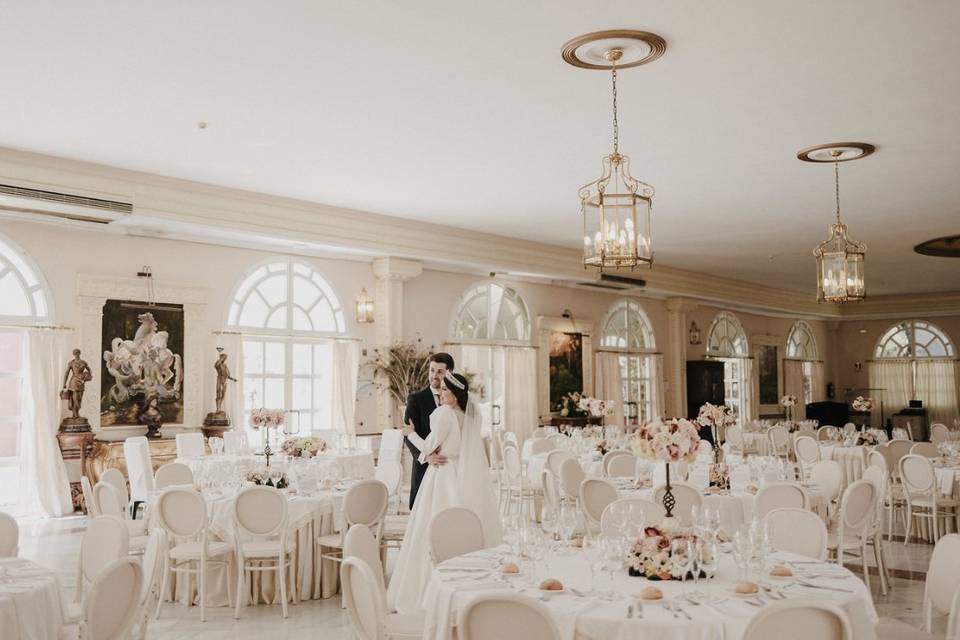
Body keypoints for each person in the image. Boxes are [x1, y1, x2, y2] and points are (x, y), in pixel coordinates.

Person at [388, 371, 467, 614]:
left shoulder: (444, 414)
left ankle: (426, 592)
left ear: (453, 396)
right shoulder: (467, 415)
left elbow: (428, 446)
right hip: (458, 474)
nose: (440, 393)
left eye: (444, 390)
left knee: (429, 528)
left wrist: (410, 433)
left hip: (441, 475)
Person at [403, 352, 455, 509]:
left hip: (450, 469)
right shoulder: (416, 399)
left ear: (449, 373)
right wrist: (426, 457)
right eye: (432, 370)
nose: (434, 375)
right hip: (424, 468)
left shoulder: (456, 401)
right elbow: (408, 434)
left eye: (439, 372)